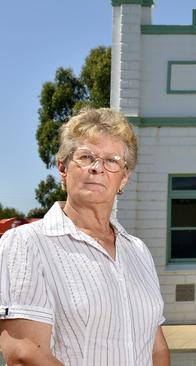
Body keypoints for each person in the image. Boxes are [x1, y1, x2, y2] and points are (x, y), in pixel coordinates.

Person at [0, 108, 170, 366]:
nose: (97, 168)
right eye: (86, 157)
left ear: (124, 178)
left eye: (112, 160)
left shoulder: (138, 251)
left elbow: (156, 348)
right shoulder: (26, 244)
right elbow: (25, 354)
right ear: (63, 169)